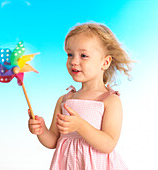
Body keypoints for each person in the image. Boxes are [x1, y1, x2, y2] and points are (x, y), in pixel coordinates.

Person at [28, 22, 133, 170]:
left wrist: (81, 126)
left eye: (83, 55)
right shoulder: (65, 101)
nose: (74, 61)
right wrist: (41, 130)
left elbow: (108, 144)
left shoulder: (109, 101)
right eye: (70, 54)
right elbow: (53, 141)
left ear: (105, 62)